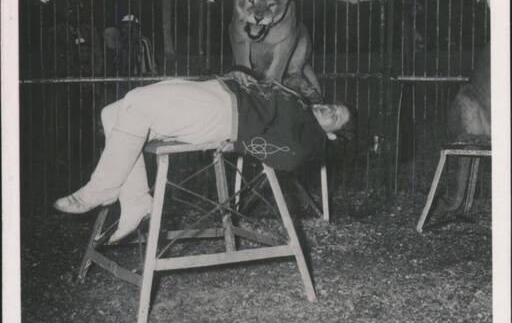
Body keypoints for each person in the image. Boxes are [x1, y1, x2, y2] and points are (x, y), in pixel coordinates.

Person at [54, 68, 354, 243]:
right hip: (219, 91)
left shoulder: (309, 140)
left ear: (332, 135)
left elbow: (290, 159)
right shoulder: (301, 107)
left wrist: (242, 144)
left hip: (225, 115)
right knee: (112, 112)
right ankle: (135, 201)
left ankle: (101, 189)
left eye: (335, 116)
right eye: (333, 105)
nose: (328, 108)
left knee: (136, 102)